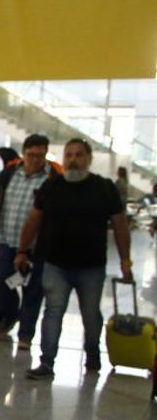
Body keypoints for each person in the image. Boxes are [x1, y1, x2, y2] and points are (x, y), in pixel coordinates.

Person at [18, 139, 132, 379]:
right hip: (55, 264)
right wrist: (21, 250)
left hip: (91, 266)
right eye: (68, 155)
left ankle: (92, 354)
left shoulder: (104, 188)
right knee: (53, 311)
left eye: (79, 155)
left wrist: (125, 261)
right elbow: (33, 220)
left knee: (90, 315)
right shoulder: (52, 186)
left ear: (89, 159)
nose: (73, 160)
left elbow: (120, 225)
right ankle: (46, 362)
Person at [0, 133, 61, 350]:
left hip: (36, 247)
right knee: (1, 278)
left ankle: (25, 335)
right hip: (8, 240)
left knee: (33, 290)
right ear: (23, 154)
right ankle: (10, 314)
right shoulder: (9, 174)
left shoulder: (52, 178)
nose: (35, 159)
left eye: (40, 155)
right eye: (31, 155)